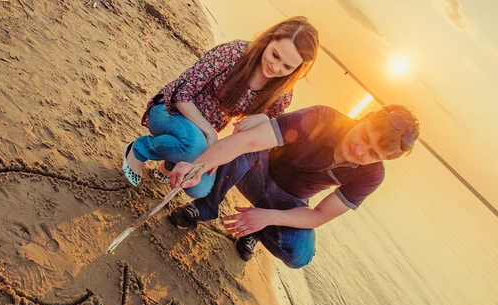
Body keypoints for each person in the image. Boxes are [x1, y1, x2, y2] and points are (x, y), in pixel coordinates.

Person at [167, 104, 420, 268]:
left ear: (382, 159)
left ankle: (255, 230)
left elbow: (319, 215)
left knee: (301, 253)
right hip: (256, 167)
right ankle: (205, 207)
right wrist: (198, 166)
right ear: (364, 118)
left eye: (373, 153)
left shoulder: (371, 176)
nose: (359, 150)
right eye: (364, 137)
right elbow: (247, 141)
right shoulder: (322, 118)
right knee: (248, 144)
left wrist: (267, 217)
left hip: (287, 200)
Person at [122, 16, 319, 198]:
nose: (276, 68)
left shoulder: (281, 92)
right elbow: (181, 95)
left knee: (201, 188)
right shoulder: (234, 53)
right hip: (169, 110)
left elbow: (270, 132)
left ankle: (169, 163)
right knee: (193, 145)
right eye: (275, 55)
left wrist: (264, 119)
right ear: (269, 40)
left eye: (287, 67)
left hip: (201, 134)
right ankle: (139, 149)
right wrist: (210, 133)